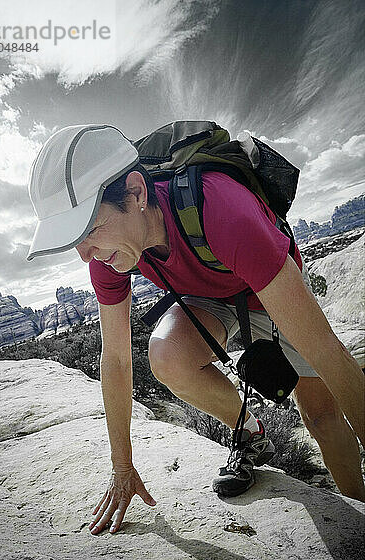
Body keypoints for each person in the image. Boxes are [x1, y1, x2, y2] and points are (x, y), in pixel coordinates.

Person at [27, 124, 365, 535]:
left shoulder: (222, 209)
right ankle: (250, 431)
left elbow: (330, 354)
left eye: (90, 231)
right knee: (166, 354)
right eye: (73, 240)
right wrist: (122, 466)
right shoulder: (106, 256)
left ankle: (357, 512)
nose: (85, 256)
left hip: (269, 288)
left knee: (320, 414)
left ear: (136, 192)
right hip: (209, 295)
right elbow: (115, 357)